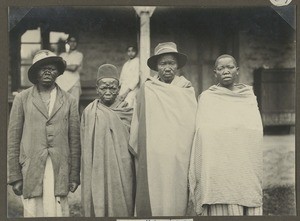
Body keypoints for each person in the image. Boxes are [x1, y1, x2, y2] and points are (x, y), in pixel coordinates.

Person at [7, 50, 81, 217]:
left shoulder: (69, 101)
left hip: (59, 168)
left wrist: (74, 175)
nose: (48, 71)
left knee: (56, 211)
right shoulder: (22, 99)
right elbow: (13, 139)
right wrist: (15, 176)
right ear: (35, 73)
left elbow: (75, 140)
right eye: (42, 68)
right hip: (32, 168)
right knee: (34, 211)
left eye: (52, 68)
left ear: (58, 72)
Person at [189, 54, 263, 216]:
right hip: (219, 164)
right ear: (214, 73)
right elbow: (203, 132)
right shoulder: (207, 98)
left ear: (237, 71)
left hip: (244, 161)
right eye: (221, 68)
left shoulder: (248, 96)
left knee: (247, 191)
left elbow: (255, 130)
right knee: (221, 195)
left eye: (230, 67)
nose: (226, 71)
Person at [129, 42, 197, 216]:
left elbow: (191, 123)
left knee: (176, 193)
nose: (167, 68)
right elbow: (138, 119)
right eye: (163, 63)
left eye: (171, 63)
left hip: (178, 153)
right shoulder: (147, 89)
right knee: (154, 191)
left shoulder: (186, 89)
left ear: (177, 66)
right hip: (153, 154)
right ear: (156, 67)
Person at [80, 64, 135, 217]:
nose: (108, 91)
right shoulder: (89, 112)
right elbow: (84, 147)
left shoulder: (128, 112)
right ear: (97, 89)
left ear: (119, 88)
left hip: (123, 168)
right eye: (104, 88)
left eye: (113, 87)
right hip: (97, 167)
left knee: (123, 204)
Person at [56, 35, 83, 104]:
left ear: (77, 43)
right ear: (67, 43)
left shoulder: (79, 55)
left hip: (73, 84)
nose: (73, 43)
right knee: (62, 107)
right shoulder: (62, 55)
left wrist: (62, 66)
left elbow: (73, 68)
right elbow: (57, 67)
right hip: (61, 84)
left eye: (74, 41)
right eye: (71, 41)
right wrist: (66, 66)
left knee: (74, 107)